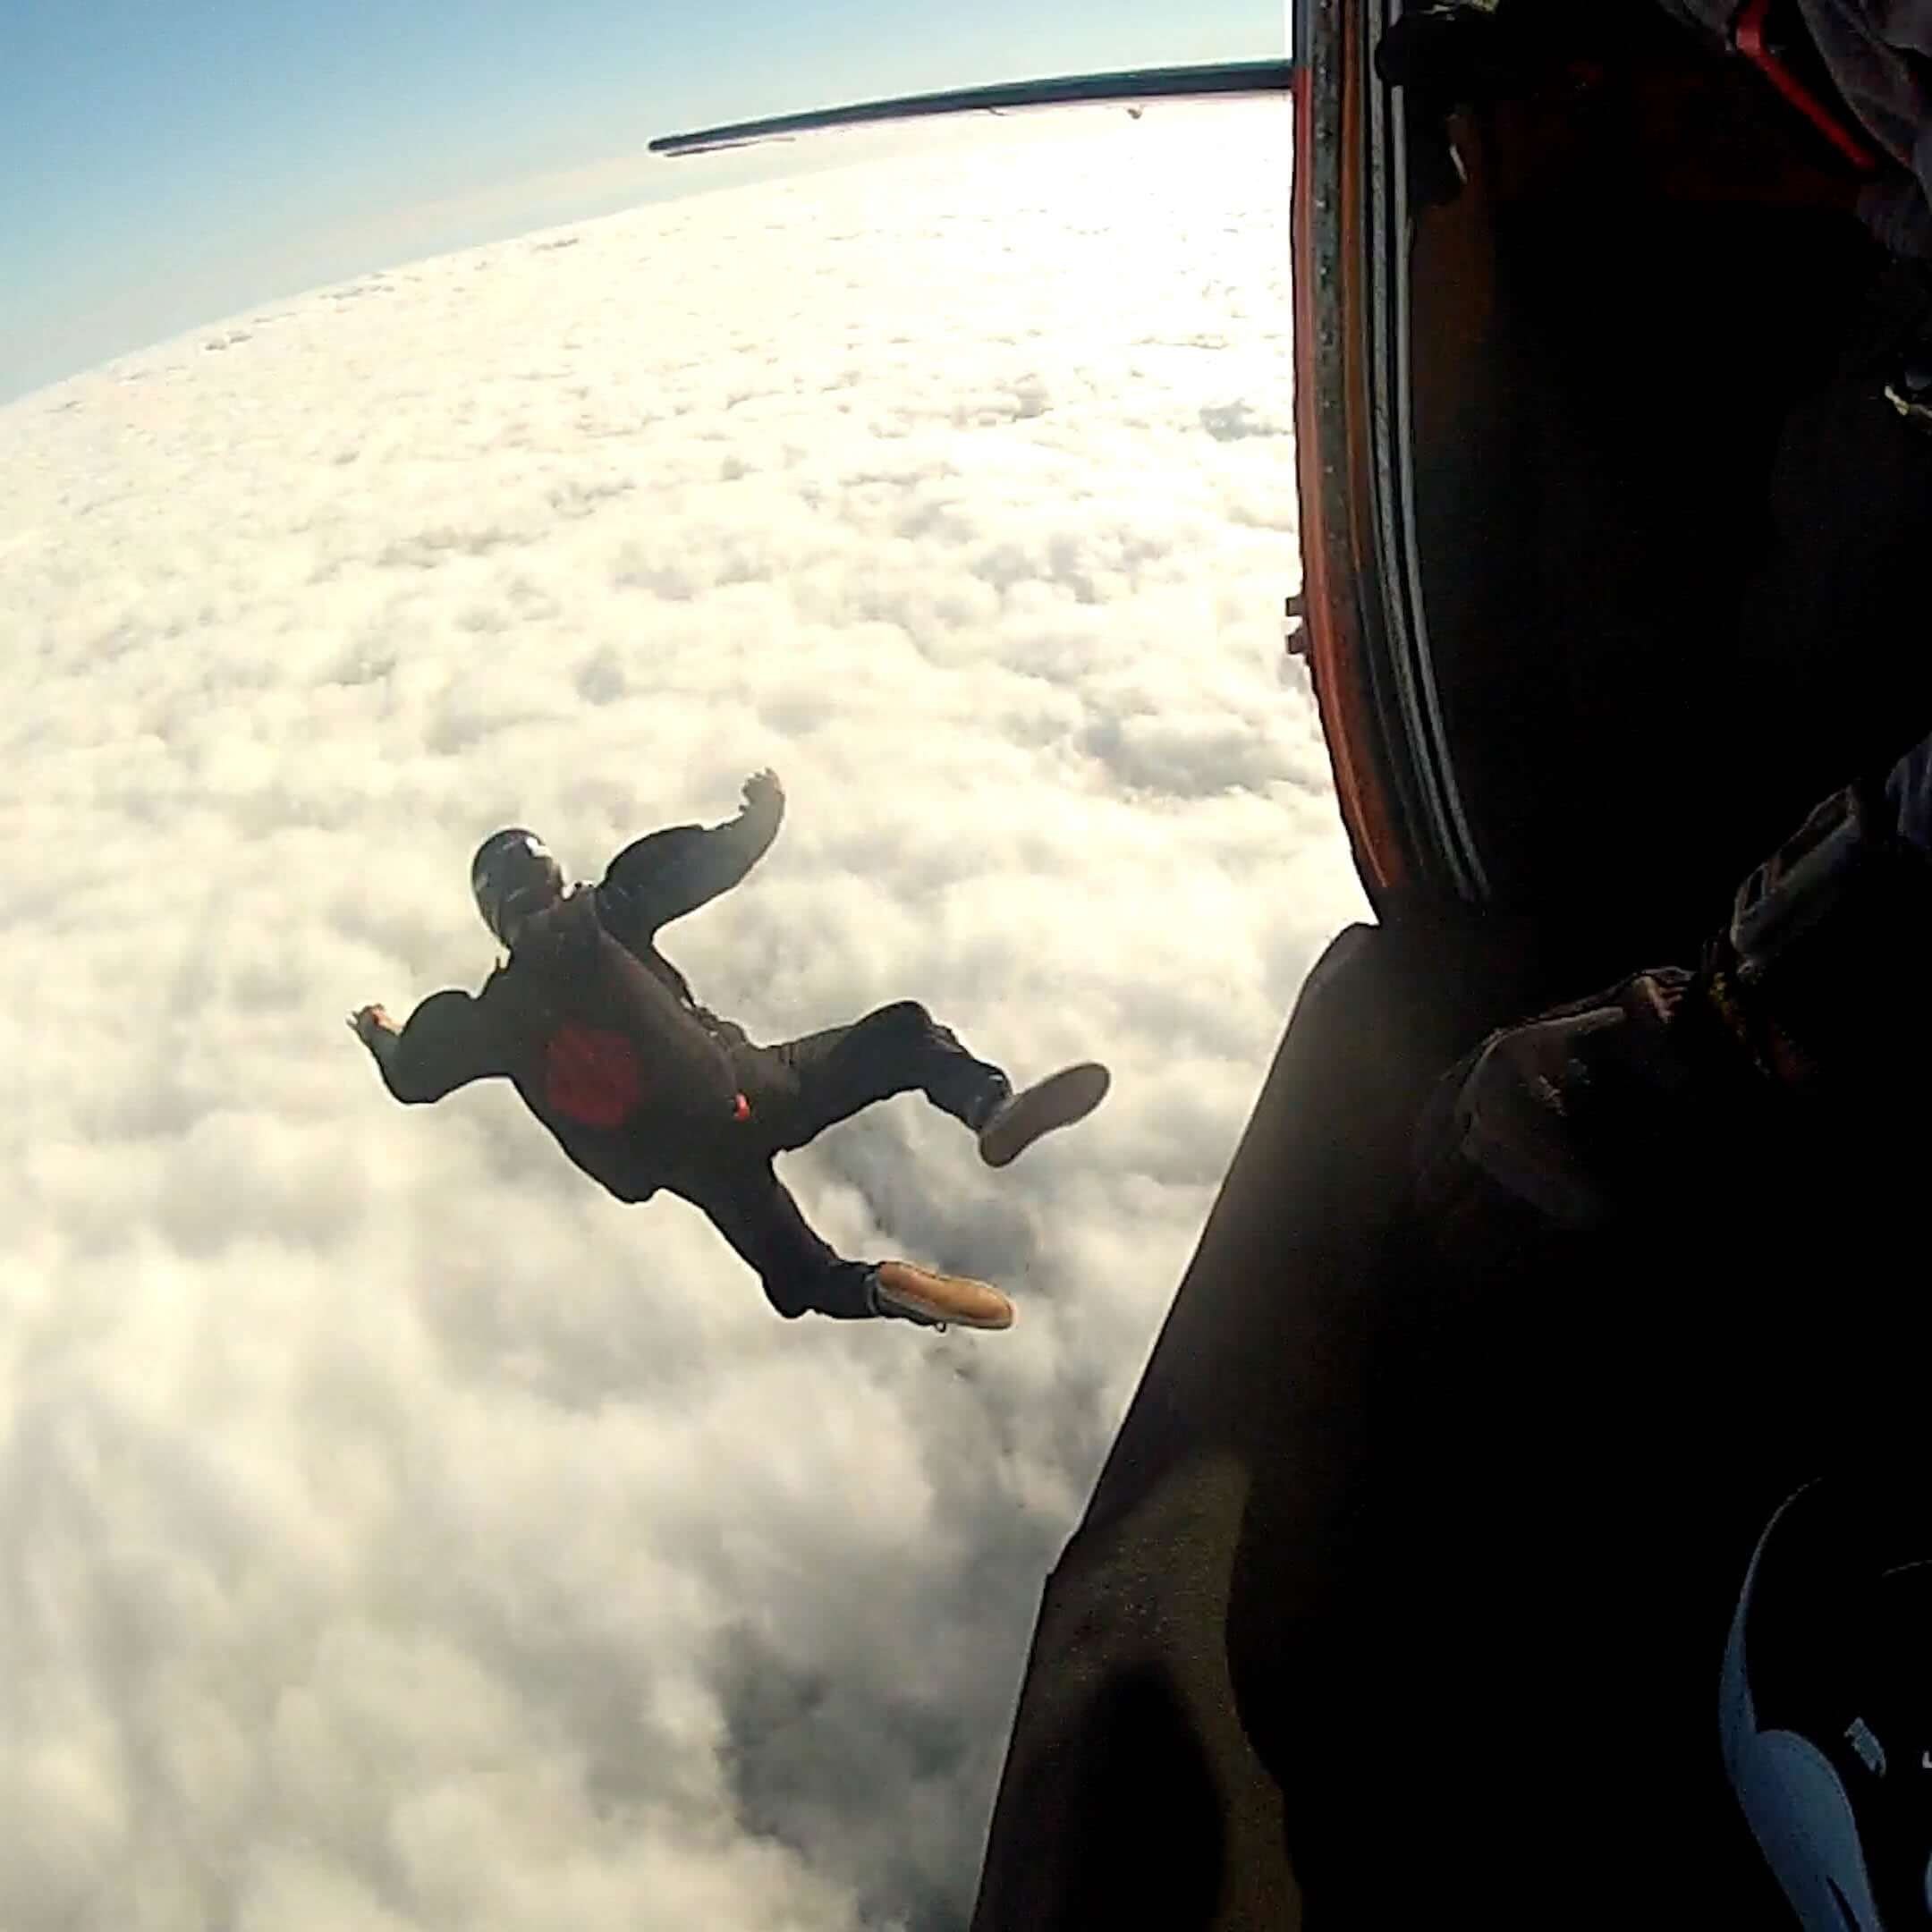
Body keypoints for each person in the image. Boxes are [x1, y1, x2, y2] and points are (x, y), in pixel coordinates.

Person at [346, 769, 1110, 1330]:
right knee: (902, 1036)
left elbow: (414, 1078)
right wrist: (762, 811)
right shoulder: (606, 913)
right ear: (551, 876)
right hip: (750, 1086)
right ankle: (988, 1106)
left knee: (800, 1275)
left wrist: (379, 1031)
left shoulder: (486, 1022)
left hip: (689, 1163)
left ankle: (883, 1287)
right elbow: (706, 865)